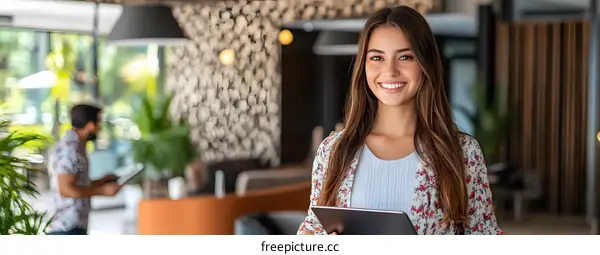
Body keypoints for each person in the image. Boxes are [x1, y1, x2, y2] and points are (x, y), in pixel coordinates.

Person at [297, 6, 502, 235]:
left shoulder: (462, 153)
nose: (390, 70)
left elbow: (485, 238)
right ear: (363, 66)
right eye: (377, 57)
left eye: (405, 57)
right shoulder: (333, 150)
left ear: (425, 64)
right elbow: (311, 229)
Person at [46, 104, 122, 235]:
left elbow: (77, 184)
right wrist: (102, 191)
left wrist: (101, 181)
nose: (99, 128)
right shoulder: (70, 149)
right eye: (99, 123)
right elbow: (66, 189)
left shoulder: (78, 146)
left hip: (74, 224)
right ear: (91, 125)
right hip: (66, 228)